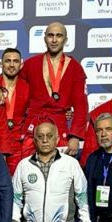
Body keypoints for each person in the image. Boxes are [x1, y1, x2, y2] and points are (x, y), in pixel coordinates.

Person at [19, 21, 89, 157]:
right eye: (50, 35)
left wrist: (75, 136)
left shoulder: (75, 68)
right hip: (33, 127)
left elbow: (81, 106)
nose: (54, 40)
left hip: (60, 127)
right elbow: (13, 88)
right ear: (45, 38)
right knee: (29, 167)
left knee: (60, 168)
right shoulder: (30, 64)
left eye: (59, 35)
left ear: (65, 40)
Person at [0, 48, 31, 174]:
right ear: (1, 64)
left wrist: (67, 110)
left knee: (16, 181)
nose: (11, 65)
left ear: (21, 65)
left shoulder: (28, 87)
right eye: (7, 61)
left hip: (18, 145)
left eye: (15, 61)